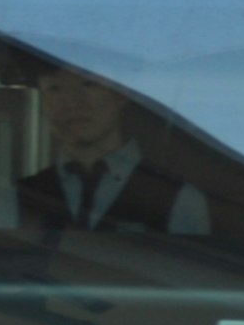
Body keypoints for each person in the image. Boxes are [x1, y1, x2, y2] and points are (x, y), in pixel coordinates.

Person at [21, 67, 213, 237]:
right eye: (54, 88)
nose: (71, 102)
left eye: (89, 83)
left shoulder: (181, 198)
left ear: (121, 93)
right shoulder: (18, 196)